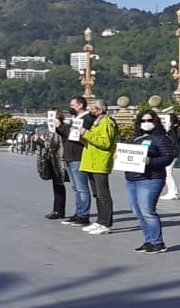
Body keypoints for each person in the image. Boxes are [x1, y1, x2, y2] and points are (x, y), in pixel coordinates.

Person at [125, 110, 174, 254]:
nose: (146, 123)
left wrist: (150, 161)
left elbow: (168, 157)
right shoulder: (136, 138)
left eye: (149, 120)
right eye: (143, 121)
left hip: (150, 178)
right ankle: (149, 241)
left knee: (147, 211)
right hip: (132, 179)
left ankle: (158, 243)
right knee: (138, 212)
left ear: (155, 121)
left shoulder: (161, 138)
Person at [79, 99, 118, 235]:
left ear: (100, 110)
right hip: (91, 162)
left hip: (100, 162)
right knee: (97, 194)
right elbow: (90, 139)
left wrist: (86, 133)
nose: (90, 111)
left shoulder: (107, 122)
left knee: (103, 194)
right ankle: (100, 220)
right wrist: (80, 135)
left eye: (93, 109)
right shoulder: (96, 122)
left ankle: (106, 223)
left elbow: (105, 142)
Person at [55, 96, 95, 226]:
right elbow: (67, 135)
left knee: (82, 187)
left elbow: (75, 136)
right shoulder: (75, 119)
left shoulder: (87, 119)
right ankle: (78, 212)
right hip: (69, 155)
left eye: (73, 105)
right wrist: (58, 127)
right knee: (76, 187)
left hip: (78, 155)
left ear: (80, 105)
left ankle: (84, 215)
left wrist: (61, 126)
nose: (70, 107)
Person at [32, 112, 67, 220]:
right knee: (57, 185)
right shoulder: (49, 129)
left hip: (59, 160)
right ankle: (57, 209)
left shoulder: (59, 129)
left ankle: (59, 210)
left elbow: (52, 145)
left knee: (60, 184)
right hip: (52, 160)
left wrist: (40, 140)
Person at [161, 113, 180, 201]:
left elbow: (174, 140)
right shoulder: (174, 130)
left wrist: (169, 130)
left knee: (168, 173)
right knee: (167, 173)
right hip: (172, 152)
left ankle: (173, 192)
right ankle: (172, 191)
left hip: (172, 153)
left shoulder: (174, 130)